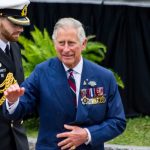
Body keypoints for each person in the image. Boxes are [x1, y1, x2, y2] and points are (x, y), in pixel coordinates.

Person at [3, 17, 126, 150]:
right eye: (61, 43)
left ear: (83, 44)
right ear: (54, 44)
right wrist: (12, 101)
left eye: (71, 43)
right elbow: (18, 110)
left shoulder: (104, 77)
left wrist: (87, 134)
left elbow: (117, 121)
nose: (66, 49)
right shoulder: (42, 72)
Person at [0, 0, 30, 150]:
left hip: (16, 138)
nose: (20, 29)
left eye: (22, 24)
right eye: (14, 23)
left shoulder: (14, 47)